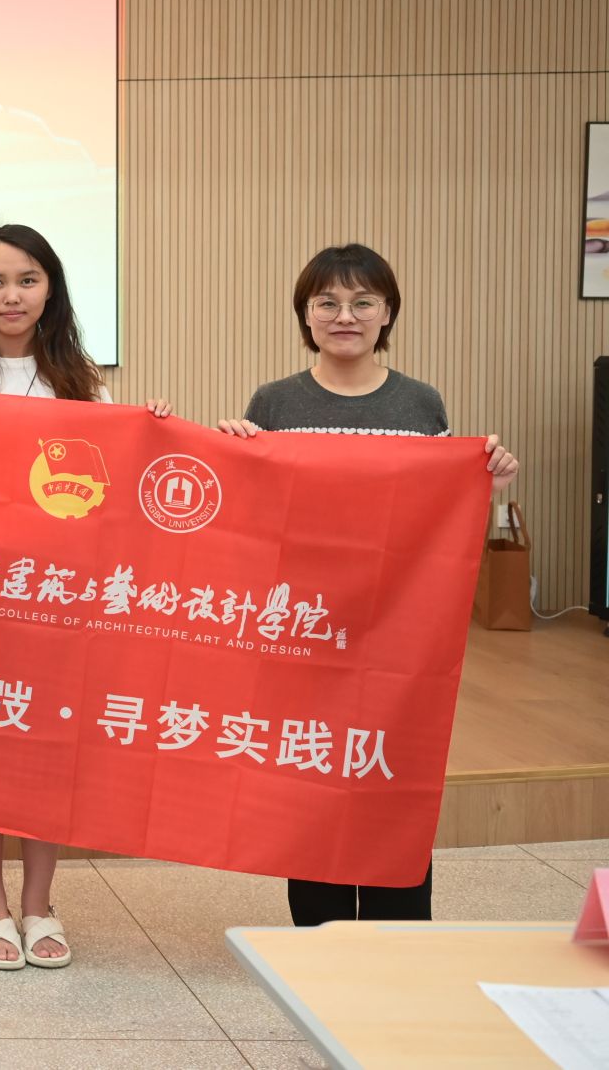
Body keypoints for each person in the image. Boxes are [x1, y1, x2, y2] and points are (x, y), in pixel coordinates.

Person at [218, 242, 517, 926]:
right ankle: (320, 938)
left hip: (398, 634)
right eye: (327, 302)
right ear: (305, 314)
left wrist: (487, 484)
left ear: (388, 313)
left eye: (362, 302)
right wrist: (230, 454)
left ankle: (399, 937)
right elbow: (251, 521)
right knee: (310, 776)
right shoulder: (274, 401)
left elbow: (441, 522)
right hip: (305, 630)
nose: (344, 315)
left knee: (390, 773)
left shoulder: (419, 402)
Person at [0, 223, 169, 972]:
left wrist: (151, 434)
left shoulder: (82, 382)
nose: (12, 295)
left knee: (47, 751)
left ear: (51, 288)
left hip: (57, 602)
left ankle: (39, 903)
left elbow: (117, 490)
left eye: (27, 279)